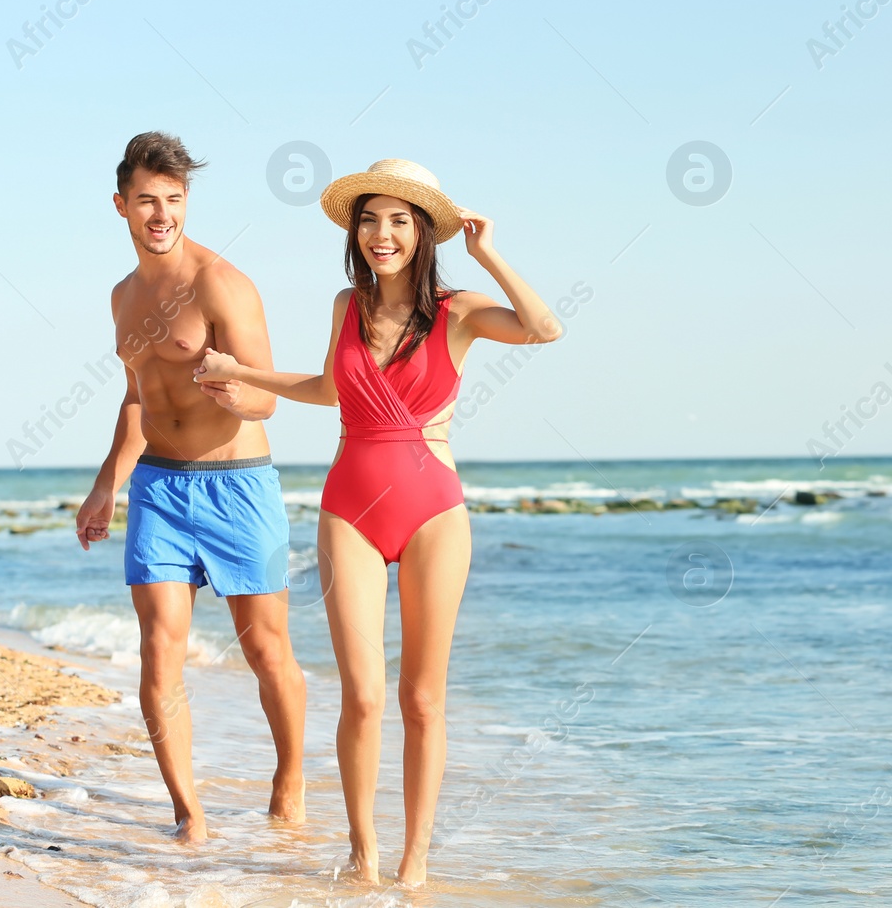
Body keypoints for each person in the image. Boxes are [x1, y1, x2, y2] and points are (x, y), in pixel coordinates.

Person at [194, 158, 562, 885]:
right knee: (362, 694)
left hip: (435, 511)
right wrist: (244, 373)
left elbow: (544, 328)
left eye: (398, 219)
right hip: (349, 507)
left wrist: (486, 252)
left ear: (423, 232)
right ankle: (362, 855)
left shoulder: (459, 311)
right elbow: (332, 387)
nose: (381, 233)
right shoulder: (347, 305)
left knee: (422, 697)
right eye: (369, 219)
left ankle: (415, 861)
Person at [75, 132, 307, 843]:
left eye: (173, 200)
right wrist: (105, 485)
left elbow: (269, 394)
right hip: (158, 490)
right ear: (120, 205)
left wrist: (238, 394)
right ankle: (188, 812)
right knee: (158, 647)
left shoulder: (221, 284)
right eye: (146, 200)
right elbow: (136, 398)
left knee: (266, 648)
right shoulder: (121, 296)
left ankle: (289, 778)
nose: (161, 213)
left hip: (239, 486)